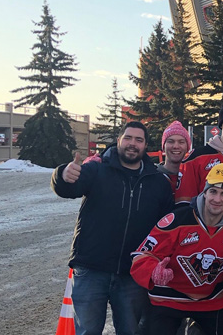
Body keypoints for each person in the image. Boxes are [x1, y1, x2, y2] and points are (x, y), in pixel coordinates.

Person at [51, 121, 174, 335]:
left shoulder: (158, 182)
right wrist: (62, 175)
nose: (132, 144)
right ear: (119, 141)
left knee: (130, 331)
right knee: (87, 331)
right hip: (91, 269)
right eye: (128, 138)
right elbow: (69, 188)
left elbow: (165, 228)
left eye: (139, 140)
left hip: (132, 274)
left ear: (146, 146)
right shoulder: (97, 169)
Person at [130, 163, 223, 335]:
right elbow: (143, 255)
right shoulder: (177, 219)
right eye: (213, 191)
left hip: (211, 300)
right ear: (204, 192)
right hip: (168, 298)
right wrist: (153, 270)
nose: (217, 199)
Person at [157, 121, 192, 202]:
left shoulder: (193, 177)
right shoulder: (153, 176)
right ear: (163, 146)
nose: (176, 146)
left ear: (187, 147)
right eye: (170, 141)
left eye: (181, 142)